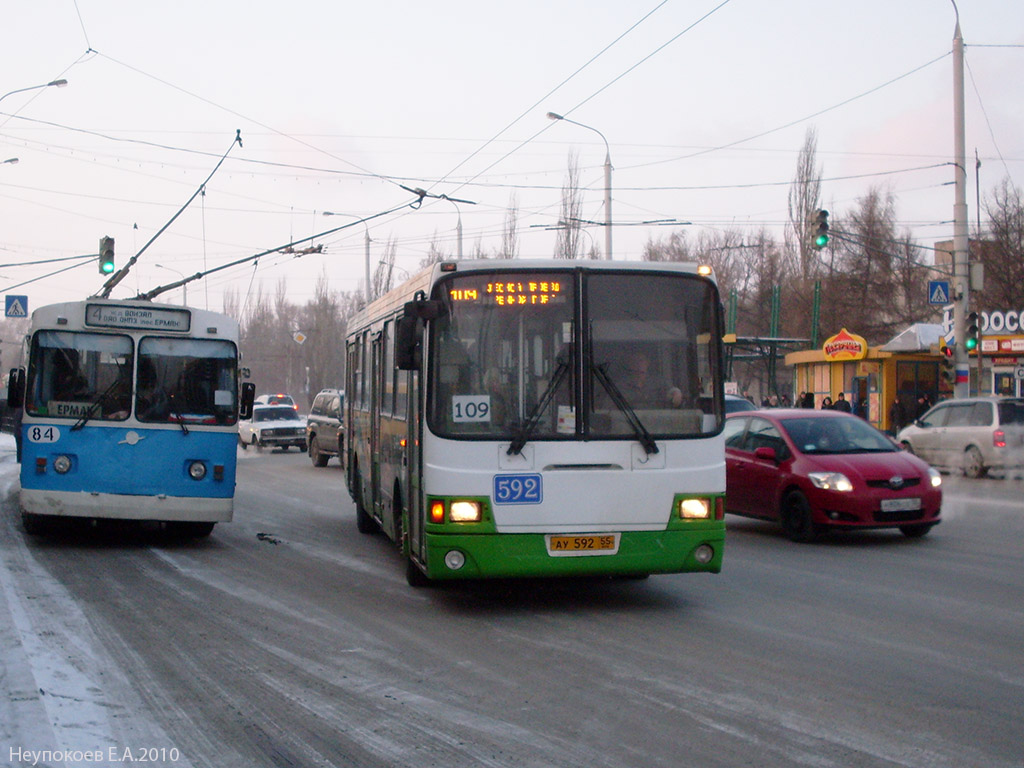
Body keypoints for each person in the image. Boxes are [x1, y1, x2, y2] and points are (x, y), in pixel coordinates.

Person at [618, 351, 682, 408]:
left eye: (641, 361)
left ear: (647, 363)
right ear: (630, 364)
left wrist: (676, 393)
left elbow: (671, 391)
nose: (638, 364)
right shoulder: (621, 386)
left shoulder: (658, 382)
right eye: (635, 361)